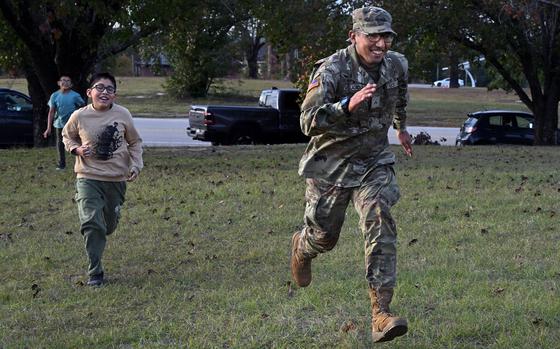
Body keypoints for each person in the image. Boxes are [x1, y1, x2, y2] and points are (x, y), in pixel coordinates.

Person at [290, 6, 413, 343]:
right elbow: (306, 122)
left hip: (374, 161)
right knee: (325, 237)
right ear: (354, 36)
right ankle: (303, 246)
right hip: (332, 165)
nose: (381, 43)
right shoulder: (332, 69)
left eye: (385, 35)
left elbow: (399, 97)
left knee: (379, 218)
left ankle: (380, 314)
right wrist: (346, 106)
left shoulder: (397, 64)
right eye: (372, 35)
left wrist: (401, 129)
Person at [63, 72, 143, 287]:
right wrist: (76, 149)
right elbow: (67, 135)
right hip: (87, 177)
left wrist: (136, 165)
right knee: (91, 223)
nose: (104, 92)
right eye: (99, 87)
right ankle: (95, 272)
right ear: (89, 93)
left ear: (114, 95)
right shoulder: (79, 116)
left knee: (106, 226)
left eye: (109, 89)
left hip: (116, 179)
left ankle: (109, 219)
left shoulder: (123, 115)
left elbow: (134, 143)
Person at [43, 76, 85, 170]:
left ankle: (81, 164)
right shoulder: (54, 95)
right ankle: (61, 165)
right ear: (58, 83)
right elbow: (51, 111)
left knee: (78, 142)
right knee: (60, 144)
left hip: (73, 124)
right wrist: (48, 128)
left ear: (71, 84)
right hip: (59, 123)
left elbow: (83, 108)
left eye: (67, 81)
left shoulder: (75, 96)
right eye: (63, 80)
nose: (65, 82)